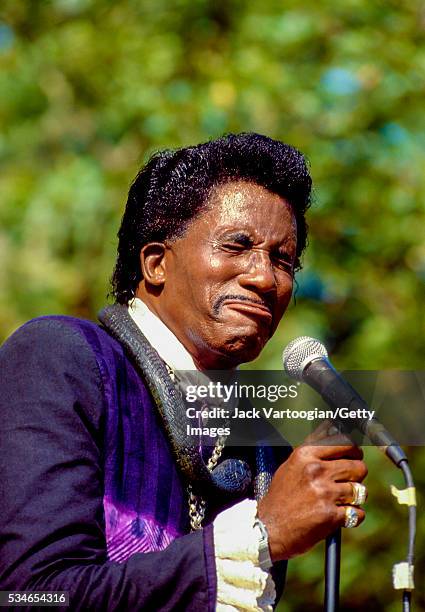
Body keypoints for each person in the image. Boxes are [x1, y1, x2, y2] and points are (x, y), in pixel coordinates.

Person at [0, 133, 367, 611]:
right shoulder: (61, 357)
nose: (265, 277)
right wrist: (263, 534)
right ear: (156, 264)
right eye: (237, 245)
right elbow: (29, 595)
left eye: (284, 260)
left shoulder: (260, 442)